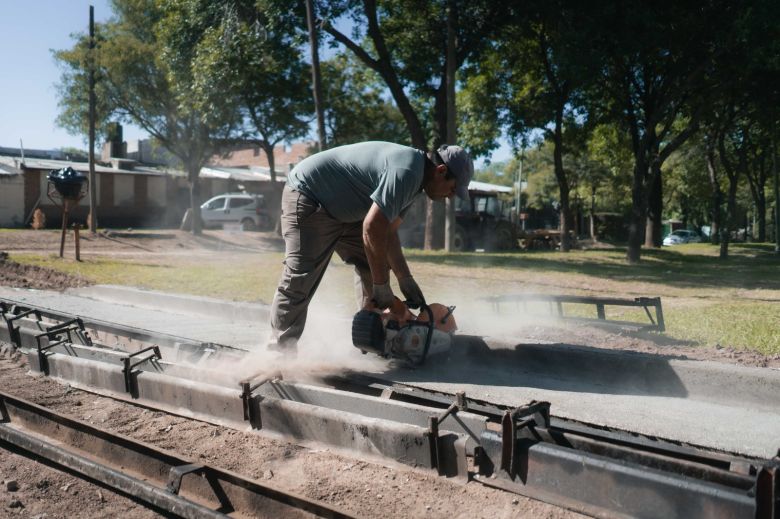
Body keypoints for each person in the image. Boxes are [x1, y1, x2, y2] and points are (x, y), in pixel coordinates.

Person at [268, 141, 474, 354]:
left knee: (372, 264)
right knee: (301, 276)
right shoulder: (407, 172)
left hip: (346, 210)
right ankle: (278, 354)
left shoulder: (417, 181)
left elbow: (389, 231)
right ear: (441, 171)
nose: (450, 197)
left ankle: (374, 338)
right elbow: (373, 227)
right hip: (310, 195)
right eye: (452, 189)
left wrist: (405, 279)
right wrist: (381, 285)